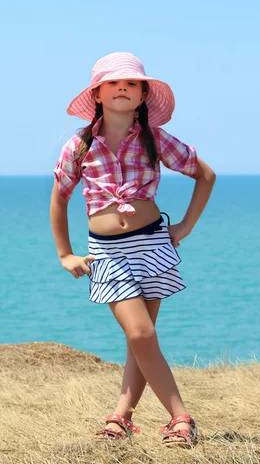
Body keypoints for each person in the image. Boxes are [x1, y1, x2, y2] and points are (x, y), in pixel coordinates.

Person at [50, 52, 216, 447]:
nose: (122, 87)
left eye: (131, 83)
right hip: (107, 252)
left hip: (153, 244)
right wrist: (65, 254)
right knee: (140, 334)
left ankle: (120, 418)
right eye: (112, 82)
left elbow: (205, 175)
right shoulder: (79, 145)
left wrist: (185, 227)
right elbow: (59, 199)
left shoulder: (154, 139)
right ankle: (181, 417)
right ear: (97, 94)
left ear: (143, 95)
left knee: (141, 339)